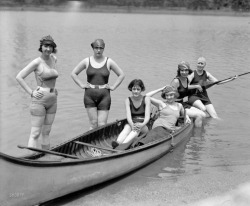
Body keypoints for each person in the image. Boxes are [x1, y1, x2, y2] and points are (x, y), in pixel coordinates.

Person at [71, 39, 125, 130]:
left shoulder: (109, 61)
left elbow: (121, 75)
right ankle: (90, 142)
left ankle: (100, 143)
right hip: (89, 95)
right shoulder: (86, 61)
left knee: (102, 124)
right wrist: (81, 85)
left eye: (101, 48)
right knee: (93, 123)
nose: (98, 50)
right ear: (93, 48)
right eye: (96, 48)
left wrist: (113, 87)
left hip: (104, 95)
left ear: (104, 49)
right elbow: (73, 73)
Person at [16, 35, 58, 150]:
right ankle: (31, 159)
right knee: (35, 133)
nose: (48, 49)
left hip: (53, 100)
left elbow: (51, 76)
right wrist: (31, 92)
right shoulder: (36, 62)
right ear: (41, 47)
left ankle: (46, 157)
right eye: (45, 46)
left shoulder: (54, 59)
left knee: (47, 132)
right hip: (39, 100)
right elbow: (19, 77)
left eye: (50, 46)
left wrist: (54, 89)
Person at [112, 79, 151, 149]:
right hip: (132, 123)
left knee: (136, 129)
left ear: (141, 90)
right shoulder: (128, 100)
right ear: (131, 89)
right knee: (127, 128)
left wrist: (141, 124)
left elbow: (147, 117)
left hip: (143, 125)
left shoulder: (146, 99)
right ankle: (118, 142)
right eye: (134, 89)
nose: (136, 91)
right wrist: (132, 125)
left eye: (138, 89)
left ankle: (122, 146)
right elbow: (128, 116)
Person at [171, 61, 206, 127]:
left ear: (188, 70)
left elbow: (186, 87)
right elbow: (171, 97)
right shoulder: (176, 81)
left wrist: (196, 86)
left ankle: (196, 129)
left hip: (184, 104)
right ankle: (197, 136)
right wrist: (184, 114)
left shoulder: (186, 79)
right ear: (179, 71)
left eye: (186, 70)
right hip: (177, 106)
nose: (184, 72)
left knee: (203, 114)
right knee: (200, 115)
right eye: (182, 70)